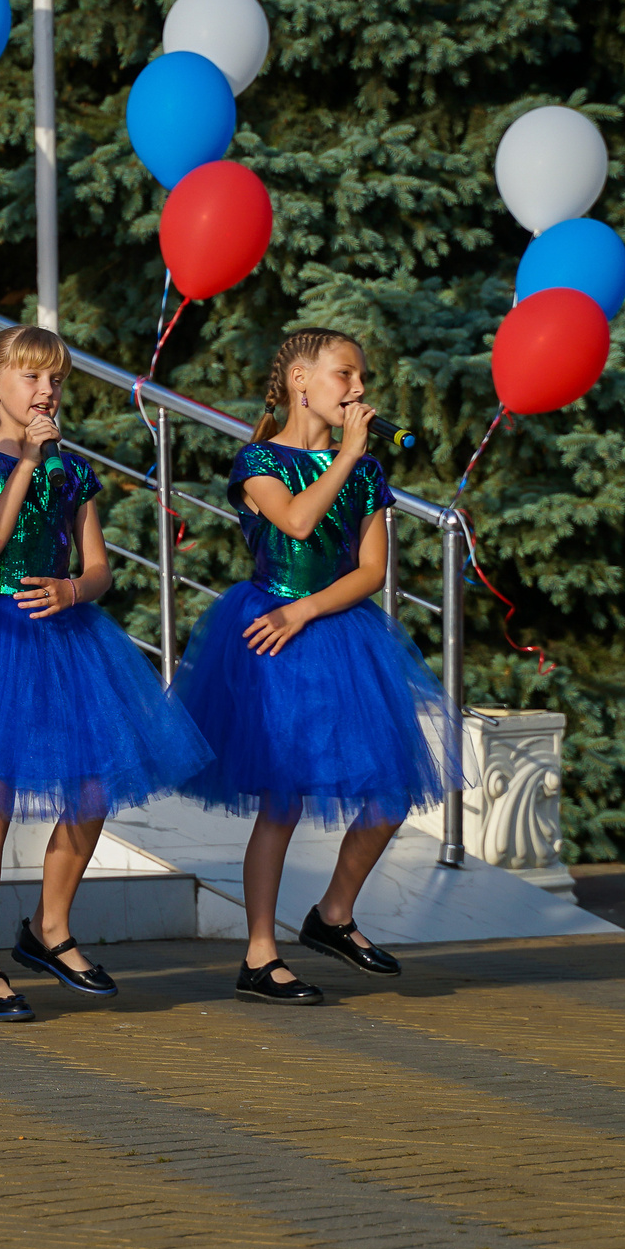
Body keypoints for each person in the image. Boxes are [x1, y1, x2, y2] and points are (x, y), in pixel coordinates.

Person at [0, 326, 212, 1021]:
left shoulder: (75, 472)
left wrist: (73, 591)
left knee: (92, 786)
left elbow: (98, 568)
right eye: (30, 378)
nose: (45, 391)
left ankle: (50, 928)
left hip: (66, 639)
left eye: (55, 380)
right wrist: (26, 461)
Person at [176, 328, 461, 1005]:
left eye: (361, 377)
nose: (358, 389)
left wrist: (308, 612)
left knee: (391, 790)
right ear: (302, 381)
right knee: (282, 801)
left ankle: (333, 915)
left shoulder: (363, 471)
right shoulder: (257, 462)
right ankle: (259, 954)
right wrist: (348, 456)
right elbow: (299, 523)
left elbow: (370, 571)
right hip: (268, 637)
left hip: (331, 632)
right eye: (345, 375)